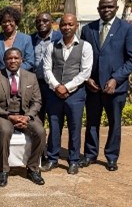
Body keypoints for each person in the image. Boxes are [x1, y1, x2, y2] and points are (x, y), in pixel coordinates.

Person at [79, 0, 132, 171]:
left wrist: (115, 79)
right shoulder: (87, 29)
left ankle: (111, 157)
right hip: (93, 86)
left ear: (116, 8)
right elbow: (84, 58)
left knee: (114, 123)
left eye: (110, 6)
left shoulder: (127, 29)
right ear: (98, 9)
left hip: (115, 88)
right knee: (91, 122)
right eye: (103, 7)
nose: (106, 10)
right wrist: (87, 78)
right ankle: (90, 155)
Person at [0, 48, 46, 187]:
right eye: (9, 59)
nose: (13, 61)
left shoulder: (31, 77)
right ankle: (3, 170)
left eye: (16, 58)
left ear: (21, 60)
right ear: (4, 61)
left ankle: (32, 169)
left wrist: (28, 117)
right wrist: (9, 116)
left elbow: (37, 101)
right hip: (2, 115)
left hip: (25, 115)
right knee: (5, 131)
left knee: (40, 131)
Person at [41, 14, 92, 175]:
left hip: (76, 94)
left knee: (74, 127)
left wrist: (67, 87)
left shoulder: (85, 46)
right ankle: (52, 158)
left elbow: (85, 72)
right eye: (63, 24)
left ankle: (74, 160)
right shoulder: (52, 46)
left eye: (70, 24)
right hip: (54, 92)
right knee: (54, 126)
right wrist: (57, 86)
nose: (67, 27)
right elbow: (47, 69)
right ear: (59, 26)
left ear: (76, 26)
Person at [31, 12, 62, 124]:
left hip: (54, 84)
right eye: (38, 21)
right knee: (37, 117)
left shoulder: (60, 37)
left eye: (45, 21)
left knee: (54, 117)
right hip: (36, 84)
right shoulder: (31, 39)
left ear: (52, 23)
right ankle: (40, 142)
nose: (41, 23)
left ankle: (53, 142)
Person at [0, 6, 35, 74]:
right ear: (0, 23)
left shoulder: (26, 39)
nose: (7, 24)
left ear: (15, 22)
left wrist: (13, 71)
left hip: (20, 77)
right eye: (4, 22)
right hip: (0, 77)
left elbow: (30, 61)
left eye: (10, 21)